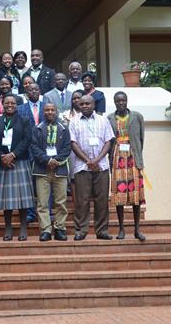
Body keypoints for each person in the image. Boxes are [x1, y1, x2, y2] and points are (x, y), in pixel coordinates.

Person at [69, 95, 115, 241]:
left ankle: (101, 230)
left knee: (101, 200)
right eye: (81, 104)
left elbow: (108, 141)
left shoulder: (103, 120)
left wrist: (96, 160)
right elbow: (73, 143)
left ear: (94, 105)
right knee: (82, 200)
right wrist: (88, 160)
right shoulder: (74, 121)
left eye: (87, 104)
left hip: (101, 166)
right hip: (82, 167)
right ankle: (81, 230)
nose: (84, 106)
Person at [107, 92, 146, 242]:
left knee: (136, 194)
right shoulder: (109, 118)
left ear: (127, 101)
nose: (121, 103)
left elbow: (141, 139)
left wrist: (136, 155)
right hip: (117, 157)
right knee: (119, 194)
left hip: (133, 157)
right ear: (115, 102)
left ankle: (137, 229)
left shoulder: (137, 116)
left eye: (123, 100)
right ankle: (121, 228)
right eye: (118, 101)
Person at [0, 94, 34, 242]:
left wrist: (13, 154)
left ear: (17, 105)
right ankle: (8, 227)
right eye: (7, 103)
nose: (10, 105)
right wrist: (3, 157)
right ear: (2, 105)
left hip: (20, 161)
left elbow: (27, 139)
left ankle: (23, 226)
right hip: (4, 163)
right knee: (7, 199)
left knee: (23, 197)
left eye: (13, 103)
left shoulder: (24, 120)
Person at [32, 103, 72, 242]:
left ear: (56, 111)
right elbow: (34, 147)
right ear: (43, 112)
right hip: (42, 170)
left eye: (52, 110)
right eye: (47, 110)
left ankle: (60, 228)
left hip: (59, 169)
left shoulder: (64, 129)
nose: (50, 112)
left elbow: (67, 148)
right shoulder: (37, 129)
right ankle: (46, 230)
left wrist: (56, 160)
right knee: (42, 203)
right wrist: (47, 160)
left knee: (61, 201)